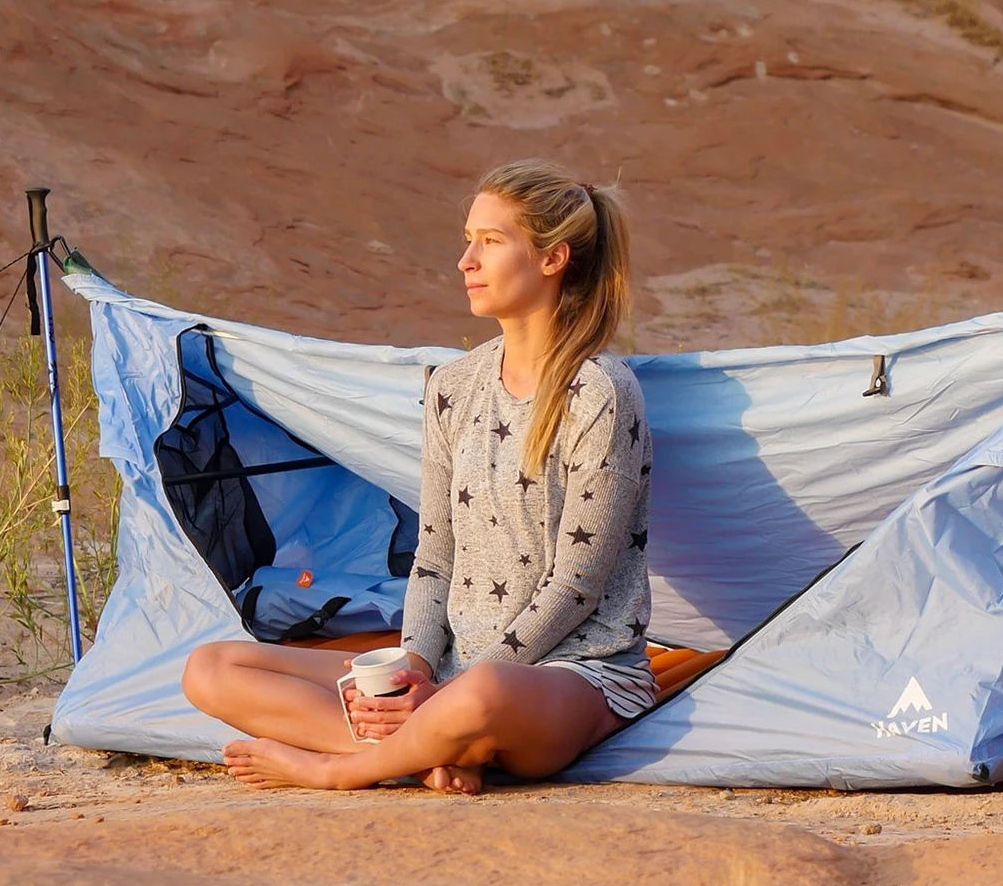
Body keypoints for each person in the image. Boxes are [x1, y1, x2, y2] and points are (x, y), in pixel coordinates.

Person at [180, 159, 655, 795]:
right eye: (468, 241)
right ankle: (429, 751)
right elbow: (434, 555)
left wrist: (449, 690)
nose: (466, 261)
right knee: (211, 667)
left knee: (484, 693)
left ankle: (342, 767)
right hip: (450, 674)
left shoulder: (599, 390)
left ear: (552, 258)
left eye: (490, 242)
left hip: (570, 674)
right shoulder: (453, 388)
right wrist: (416, 665)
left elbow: (577, 584)